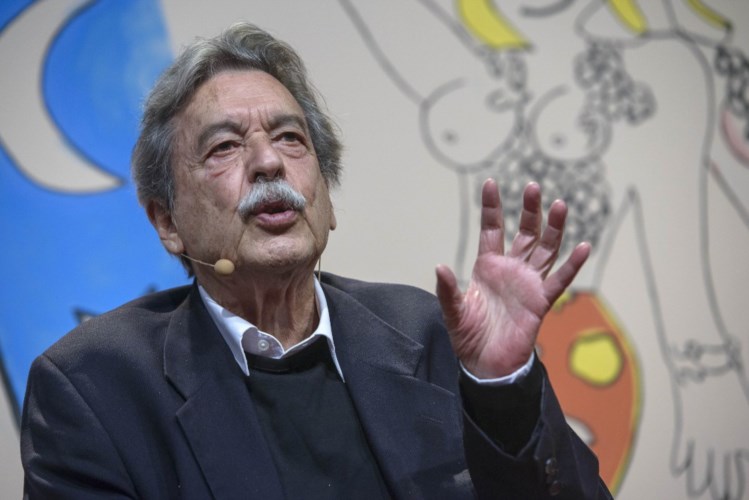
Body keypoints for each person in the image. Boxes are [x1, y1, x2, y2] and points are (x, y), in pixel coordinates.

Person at [20, 22, 612, 499]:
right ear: (166, 222)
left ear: (325, 199)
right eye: (225, 146)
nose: (268, 163)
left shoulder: (431, 334)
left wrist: (501, 391)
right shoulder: (95, 389)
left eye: (290, 138)